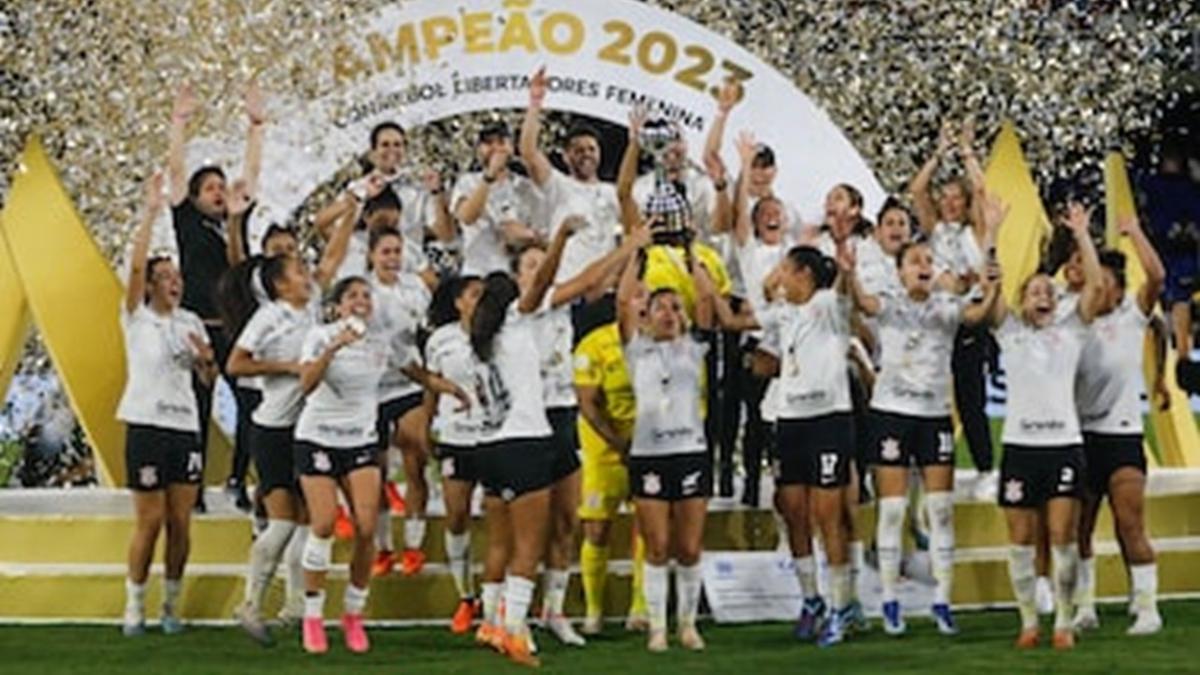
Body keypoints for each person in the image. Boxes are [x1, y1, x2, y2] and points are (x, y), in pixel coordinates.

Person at [847, 194, 1005, 636]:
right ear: (900, 270)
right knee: (894, 512)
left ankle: (942, 601)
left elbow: (980, 314)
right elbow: (862, 302)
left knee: (940, 511)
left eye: (928, 260)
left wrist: (992, 276)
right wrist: (846, 273)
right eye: (915, 260)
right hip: (892, 415)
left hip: (934, 416)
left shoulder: (945, 309)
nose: (923, 265)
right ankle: (891, 602)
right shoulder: (890, 304)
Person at [513, 218, 650, 646]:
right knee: (528, 532)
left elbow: (601, 285)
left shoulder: (557, 305)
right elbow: (589, 278)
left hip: (561, 418)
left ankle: (554, 611)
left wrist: (631, 257)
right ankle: (513, 617)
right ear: (518, 277)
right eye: (531, 265)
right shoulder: (524, 307)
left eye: (542, 263)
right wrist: (630, 242)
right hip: (529, 424)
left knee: (565, 524)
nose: (539, 270)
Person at [990, 202, 1103, 651]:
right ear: (1023, 300)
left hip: (1063, 446)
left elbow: (1095, 284)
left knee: (1062, 536)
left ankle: (1063, 620)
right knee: (1021, 540)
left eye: (1047, 291)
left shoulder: (1072, 329)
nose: (1042, 294)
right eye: (1034, 290)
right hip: (1020, 448)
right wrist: (992, 232)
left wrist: (1082, 235)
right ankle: (1028, 621)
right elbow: (990, 283)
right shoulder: (1009, 331)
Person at [470, 222, 577, 668]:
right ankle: (513, 630)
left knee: (500, 543)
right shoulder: (516, 323)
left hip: (489, 447)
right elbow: (544, 284)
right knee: (528, 548)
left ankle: (492, 622)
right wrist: (561, 240)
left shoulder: (478, 342)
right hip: (524, 442)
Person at [118, 171, 216, 636]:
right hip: (145, 425)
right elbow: (135, 269)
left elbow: (208, 375)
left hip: (185, 429)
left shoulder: (191, 320)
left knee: (181, 523)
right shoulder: (136, 318)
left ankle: (170, 606)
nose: (173, 283)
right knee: (151, 521)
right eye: (165, 278)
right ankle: (134, 604)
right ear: (151, 286)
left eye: (176, 277)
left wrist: (204, 363)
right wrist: (151, 213)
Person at [321, 188, 436, 578]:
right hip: (369, 390)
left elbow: (425, 333)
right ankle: (384, 548)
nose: (392, 258)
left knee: (417, 456)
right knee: (377, 470)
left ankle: (414, 545)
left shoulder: (416, 288)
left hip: (407, 386)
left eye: (396, 251)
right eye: (385, 252)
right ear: (371, 255)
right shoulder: (359, 291)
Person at [166, 82, 267, 512]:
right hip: (197, 330)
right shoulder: (186, 219)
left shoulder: (236, 221)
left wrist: (256, 127)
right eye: (210, 187)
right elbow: (173, 174)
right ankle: (193, 491)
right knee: (197, 409)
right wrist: (179, 124)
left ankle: (236, 481)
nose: (219, 192)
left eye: (222, 186)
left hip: (233, 330)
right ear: (194, 196)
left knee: (251, 405)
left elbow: (253, 174)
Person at [616, 238, 716, 652]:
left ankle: (688, 625)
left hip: (691, 452)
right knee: (656, 545)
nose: (669, 314)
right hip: (649, 457)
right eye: (661, 307)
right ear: (646, 316)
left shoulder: (696, 349)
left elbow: (707, 298)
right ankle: (658, 627)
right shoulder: (635, 350)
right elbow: (623, 300)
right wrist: (635, 253)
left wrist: (693, 260)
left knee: (689, 546)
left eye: (677, 308)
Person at [1073, 214, 1167, 636]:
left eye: (1106, 282)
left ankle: (1147, 607)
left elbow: (1158, 276)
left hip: (1123, 435)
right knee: (1081, 528)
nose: (1100, 288)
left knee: (1130, 525)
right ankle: (1084, 607)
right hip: (1079, 436)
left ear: (1118, 286)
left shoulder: (1132, 315)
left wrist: (1135, 232)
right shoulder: (1075, 316)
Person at [226, 253, 318, 645]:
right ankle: (250, 603)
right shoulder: (269, 317)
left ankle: (295, 607)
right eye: (299, 272)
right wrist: (287, 367)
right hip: (273, 428)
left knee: (306, 520)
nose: (307, 275)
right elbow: (236, 364)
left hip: (306, 428)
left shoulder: (312, 311)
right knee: (283, 521)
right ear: (280, 285)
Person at [294, 276, 388, 654]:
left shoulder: (382, 343)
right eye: (352, 295)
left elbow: (410, 371)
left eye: (366, 295)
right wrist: (333, 347)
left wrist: (445, 387)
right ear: (337, 305)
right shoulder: (319, 335)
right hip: (317, 436)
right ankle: (312, 615)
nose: (361, 301)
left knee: (367, 528)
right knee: (324, 522)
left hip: (360, 439)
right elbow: (305, 384)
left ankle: (353, 614)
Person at [910, 120, 999, 499]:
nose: (948, 203)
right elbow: (916, 189)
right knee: (928, 396)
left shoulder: (975, 231)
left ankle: (984, 470)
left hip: (970, 321)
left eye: (954, 198)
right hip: (934, 321)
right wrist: (938, 153)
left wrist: (966, 151)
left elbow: (981, 188)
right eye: (943, 197)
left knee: (970, 398)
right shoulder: (934, 230)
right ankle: (926, 465)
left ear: (964, 203)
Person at [424, 276, 486, 634]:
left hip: (494, 435)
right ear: (459, 302)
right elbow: (431, 383)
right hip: (456, 436)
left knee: (501, 517)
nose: (481, 301)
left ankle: (501, 593)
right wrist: (426, 423)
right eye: (475, 295)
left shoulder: (501, 334)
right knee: (457, 515)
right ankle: (466, 596)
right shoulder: (441, 339)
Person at [314, 120, 451, 281]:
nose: (392, 150)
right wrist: (359, 197)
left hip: (408, 275)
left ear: (405, 150)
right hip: (360, 273)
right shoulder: (357, 188)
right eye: (385, 145)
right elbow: (325, 227)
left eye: (397, 144)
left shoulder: (421, 189)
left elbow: (445, 235)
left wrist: (437, 193)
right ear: (372, 152)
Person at [520, 67, 621, 283]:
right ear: (566, 156)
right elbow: (528, 153)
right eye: (578, 150)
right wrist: (535, 104)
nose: (586, 155)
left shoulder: (613, 192)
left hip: (604, 287)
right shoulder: (557, 185)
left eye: (591, 149)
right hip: (566, 286)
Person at [451, 121, 544, 276]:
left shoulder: (526, 187)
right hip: (478, 272)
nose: (496, 148)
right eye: (488, 143)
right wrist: (490, 176)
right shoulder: (467, 182)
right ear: (479, 149)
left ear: (512, 147)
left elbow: (543, 232)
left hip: (515, 275)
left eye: (501, 142)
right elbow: (467, 216)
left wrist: (527, 236)